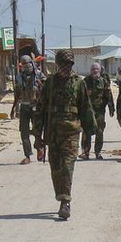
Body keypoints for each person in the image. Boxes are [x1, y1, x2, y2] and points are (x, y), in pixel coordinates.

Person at [32, 49, 95, 220]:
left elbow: (85, 107)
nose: (66, 67)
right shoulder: (50, 83)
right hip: (52, 132)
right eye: (63, 64)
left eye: (69, 64)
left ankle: (65, 202)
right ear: (57, 65)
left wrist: (90, 132)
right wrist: (37, 135)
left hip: (71, 132)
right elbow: (40, 109)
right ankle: (60, 195)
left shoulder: (78, 83)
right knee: (55, 167)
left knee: (67, 166)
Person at [80, 62, 115, 160]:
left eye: (96, 69)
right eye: (93, 69)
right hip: (88, 111)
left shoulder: (103, 82)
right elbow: (80, 96)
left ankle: (98, 152)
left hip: (100, 111)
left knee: (99, 131)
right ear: (90, 71)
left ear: (100, 70)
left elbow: (109, 95)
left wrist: (111, 108)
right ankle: (85, 152)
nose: (95, 71)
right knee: (86, 131)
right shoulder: (85, 81)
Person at [15, 55, 43, 164]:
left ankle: (39, 148)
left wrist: (40, 86)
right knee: (24, 132)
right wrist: (14, 108)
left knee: (37, 130)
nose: (26, 66)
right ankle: (27, 155)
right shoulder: (19, 77)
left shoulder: (38, 74)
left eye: (28, 63)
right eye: (24, 64)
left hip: (35, 107)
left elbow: (46, 88)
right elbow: (18, 93)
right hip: (24, 106)